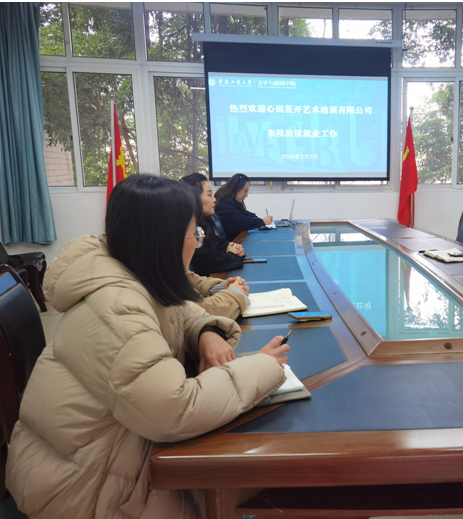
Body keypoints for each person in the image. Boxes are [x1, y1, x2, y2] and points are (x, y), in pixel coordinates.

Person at [7, 175, 290, 519]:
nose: (197, 244)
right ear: (164, 241)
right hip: (87, 488)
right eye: (195, 235)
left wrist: (207, 331)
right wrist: (263, 366)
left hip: (104, 455)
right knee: (265, 483)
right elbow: (174, 410)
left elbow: (179, 310)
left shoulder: (131, 272)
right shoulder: (118, 309)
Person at [180, 172, 246, 277]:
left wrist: (232, 247)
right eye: (209, 194)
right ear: (194, 198)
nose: (214, 199)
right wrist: (232, 254)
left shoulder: (205, 221)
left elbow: (218, 243)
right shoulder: (188, 229)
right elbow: (208, 262)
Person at [214, 173, 273, 241]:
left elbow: (245, 213)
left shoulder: (233, 202)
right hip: (231, 242)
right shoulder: (223, 203)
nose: (246, 195)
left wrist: (255, 218)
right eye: (245, 191)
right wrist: (262, 221)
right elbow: (241, 223)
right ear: (236, 188)